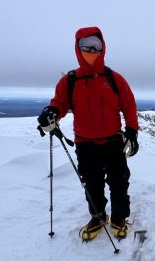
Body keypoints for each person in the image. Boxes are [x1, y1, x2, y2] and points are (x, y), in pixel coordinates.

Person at [37, 27, 139, 240]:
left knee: (119, 182)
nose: (92, 50)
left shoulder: (114, 78)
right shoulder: (70, 81)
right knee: (92, 184)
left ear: (103, 48)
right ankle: (99, 217)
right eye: (87, 45)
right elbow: (60, 104)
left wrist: (132, 131)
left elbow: (128, 105)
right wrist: (52, 112)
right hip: (85, 144)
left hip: (113, 142)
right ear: (78, 47)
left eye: (97, 46)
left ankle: (119, 217)